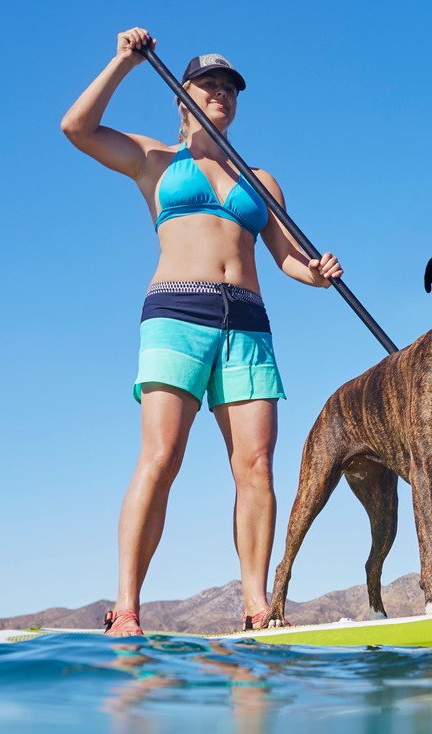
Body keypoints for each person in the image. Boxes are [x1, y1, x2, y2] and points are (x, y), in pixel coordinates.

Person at [61, 28, 343, 636]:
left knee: (257, 465)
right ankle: (127, 609)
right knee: (161, 457)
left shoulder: (260, 179)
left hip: (247, 320)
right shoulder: (155, 160)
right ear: (182, 97)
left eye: (230, 88)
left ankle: (256, 606)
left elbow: (285, 255)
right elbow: (76, 129)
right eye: (209, 84)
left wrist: (316, 277)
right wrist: (122, 63)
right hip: (176, 314)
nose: (222, 93)